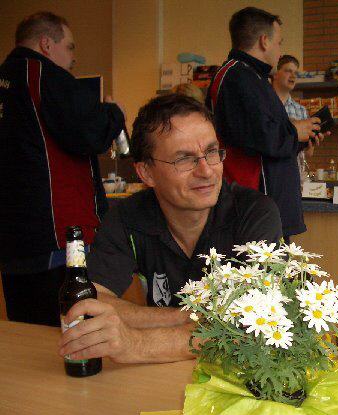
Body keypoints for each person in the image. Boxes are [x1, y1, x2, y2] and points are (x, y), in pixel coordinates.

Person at [58, 94, 283, 364]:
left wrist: (138, 343)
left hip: (235, 372)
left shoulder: (254, 212)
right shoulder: (127, 216)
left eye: (212, 152)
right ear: (146, 173)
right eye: (184, 159)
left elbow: (258, 322)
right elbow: (88, 303)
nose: (206, 171)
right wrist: (183, 317)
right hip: (157, 375)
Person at [0, 12, 125, 327]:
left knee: (25, 325)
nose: (73, 58)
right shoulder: (45, 76)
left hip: (13, 237)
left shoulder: (6, 79)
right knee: (69, 325)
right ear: (46, 44)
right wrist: (114, 114)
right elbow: (90, 133)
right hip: (56, 232)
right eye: (69, 47)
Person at [206, 7, 322, 242]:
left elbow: (265, 138)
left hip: (265, 206)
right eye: (279, 43)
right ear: (264, 41)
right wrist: (294, 132)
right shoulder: (237, 77)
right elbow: (260, 138)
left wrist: (302, 138)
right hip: (253, 208)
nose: (280, 51)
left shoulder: (252, 77)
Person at [271, 54, 315, 187]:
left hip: (294, 179)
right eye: (288, 71)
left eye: (295, 73)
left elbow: (308, 153)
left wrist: (312, 142)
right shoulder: (265, 105)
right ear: (275, 74)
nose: (293, 76)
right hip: (271, 175)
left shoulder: (301, 111)